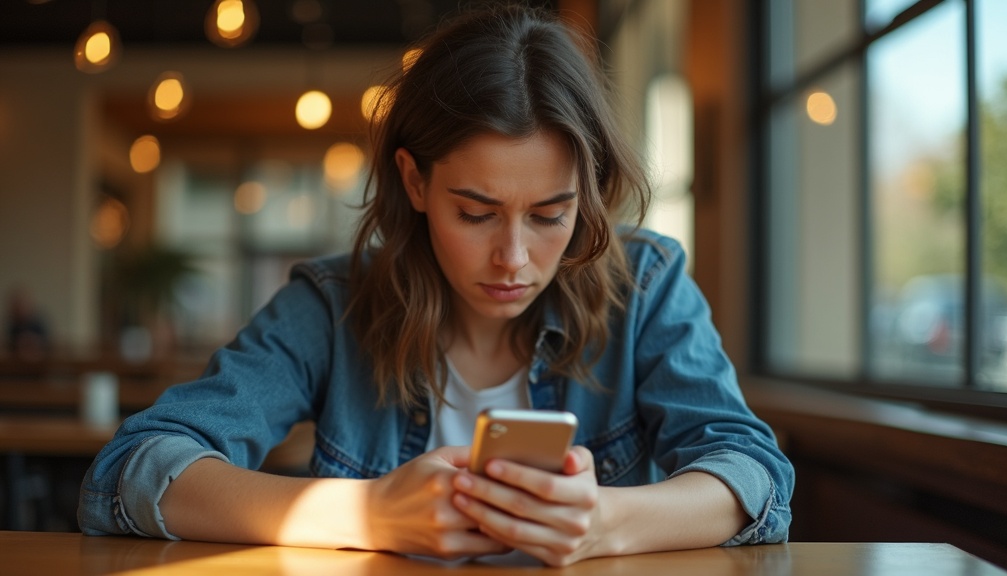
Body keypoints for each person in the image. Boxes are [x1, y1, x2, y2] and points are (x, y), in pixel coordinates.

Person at [78, 4, 793, 567]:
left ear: (590, 192)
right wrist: (365, 514)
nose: (513, 257)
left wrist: (606, 523)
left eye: (551, 214)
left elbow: (752, 472)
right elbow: (134, 470)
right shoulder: (333, 304)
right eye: (475, 213)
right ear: (415, 182)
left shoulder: (646, 283)